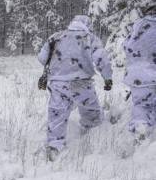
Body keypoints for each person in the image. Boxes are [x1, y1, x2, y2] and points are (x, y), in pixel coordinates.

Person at [38, 15, 113, 161]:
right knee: (92, 114)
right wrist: (107, 78)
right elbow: (101, 59)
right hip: (82, 84)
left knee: (57, 116)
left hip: (58, 84)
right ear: (87, 25)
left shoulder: (56, 37)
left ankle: (54, 148)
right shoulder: (90, 38)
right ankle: (91, 140)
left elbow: (42, 58)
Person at [123, 3, 156, 146]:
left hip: (137, 75)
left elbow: (126, 46)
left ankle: (140, 132)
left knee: (141, 106)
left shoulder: (138, 25)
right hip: (153, 72)